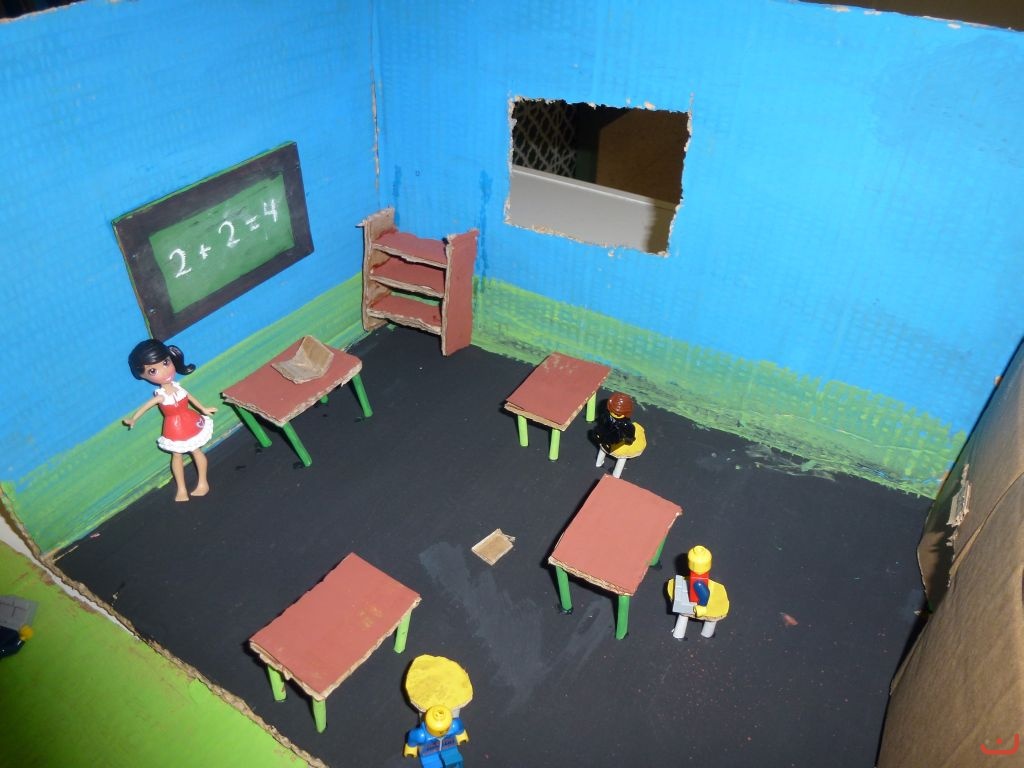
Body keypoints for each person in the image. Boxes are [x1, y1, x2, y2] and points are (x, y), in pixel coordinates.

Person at [124, 339, 216, 502]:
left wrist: (203, 409)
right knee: (177, 455)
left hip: (190, 421)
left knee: (196, 451)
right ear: (142, 375)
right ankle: (181, 488)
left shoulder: (179, 388)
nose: (165, 371)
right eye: (153, 370)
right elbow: (145, 407)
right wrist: (133, 419)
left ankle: (203, 483)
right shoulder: (160, 396)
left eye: (166, 362)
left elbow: (190, 397)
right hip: (174, 428)